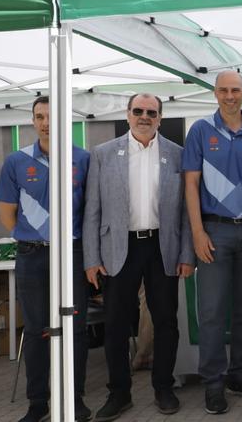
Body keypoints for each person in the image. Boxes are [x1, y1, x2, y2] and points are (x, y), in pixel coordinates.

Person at [82, 93, 193, 419]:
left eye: (152, 112)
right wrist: (91, 257)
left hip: (163, 248)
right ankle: (119, 393)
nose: (145, 116)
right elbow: (93, 210)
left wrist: (187, 252)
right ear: (128, 114)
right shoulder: (103, 154)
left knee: (166, 322)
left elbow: (187, 212)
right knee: (116, 325)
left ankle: (163, 387)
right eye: (139, 111)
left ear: (160, 117)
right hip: (119, 249)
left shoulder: (177, 154)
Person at [0, 96, 92, 422]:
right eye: (39, 116)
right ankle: (38, 403)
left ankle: (74, 399)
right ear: (33, 120)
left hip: (72, 255)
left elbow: (91, 211)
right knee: (37, 331)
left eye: (51, 116)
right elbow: (8, 214)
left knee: (76, 329)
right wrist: (36, 236)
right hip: (32, 256)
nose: (45, 122)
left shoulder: (83, 159)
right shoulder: (16, 161)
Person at [183, 70, 242, 415]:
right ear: (215, 93)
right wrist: (197, 232)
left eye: (235, 90)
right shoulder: (201, 131)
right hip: (214, 231)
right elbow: (190, 185)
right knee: (212, 311)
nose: (230, 96)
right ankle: (213, 382)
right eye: (224, 90)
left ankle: (239, 374)